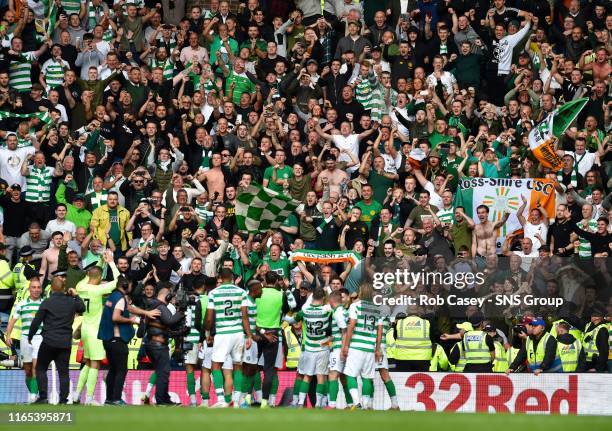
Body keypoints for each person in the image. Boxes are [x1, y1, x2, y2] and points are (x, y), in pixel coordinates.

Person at [72, 249, 121, 405]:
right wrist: (111, 262)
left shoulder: (80, 286)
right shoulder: (98, 290)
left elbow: (92, 274)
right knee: (95, 364)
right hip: (95, 332)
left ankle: (76, 394)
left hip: (84, 329)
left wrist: (102, 261)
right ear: (99, 278)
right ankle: (90, 398)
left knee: (86, 362)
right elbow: (120, 281)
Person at [28, 276, 85, 404]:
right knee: (63, 372)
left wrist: (30, 336)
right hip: (65, 343)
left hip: (49, 342)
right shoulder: (71, 301)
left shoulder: (47, 302)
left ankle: (43, 397)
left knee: (41, 368)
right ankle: (64, 399)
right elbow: (82, 308)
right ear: (64, 288)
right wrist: (75, 295)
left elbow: (36, 321)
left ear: (52, 288)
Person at [205, 268, 254, 408]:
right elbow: (245, 316)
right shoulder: (241, 292)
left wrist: (208, 334)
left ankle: (221, 400)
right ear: (232, 277)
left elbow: (209, 319)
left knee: (216, 365)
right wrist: (249, 335)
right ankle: (237, 401)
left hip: (222, 334)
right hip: (238, 333)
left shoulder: (214, 293)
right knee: (238, 366)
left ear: (220, 278)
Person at [143, 284, 185, 406]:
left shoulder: (151, 305)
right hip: (158, 345)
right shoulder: (160, 306)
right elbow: (170, 320)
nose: (172, 300)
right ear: (166, 295)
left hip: (152, 344)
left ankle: (165, 398)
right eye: (170, 297)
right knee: (163, 372)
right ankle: (162, 400)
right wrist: (181, 312)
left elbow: (165, 325)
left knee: (162, 371)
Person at [341, 282, 382, 410]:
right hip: (369, 348)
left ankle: (356, 402)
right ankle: (365, 405)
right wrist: (377, 349)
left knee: (350, 375)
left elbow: (351, 326)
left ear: (361, 292)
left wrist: (346, 345)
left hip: (356, 347)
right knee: (367, 377)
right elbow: (379, 332)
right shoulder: (377, 308)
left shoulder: (355, 306)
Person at [5, 277, 44, 403]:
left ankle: (34, 395)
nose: (36, 290)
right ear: (29, 289)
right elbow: (12, 321)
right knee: (27, 370)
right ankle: (34, 394)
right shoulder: (21, 304)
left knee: (36, 367)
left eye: (38, 287)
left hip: (39, 338)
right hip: (25, 339)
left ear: (41, 289)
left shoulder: (45, 303)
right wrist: (8, 335)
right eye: (34, 287)